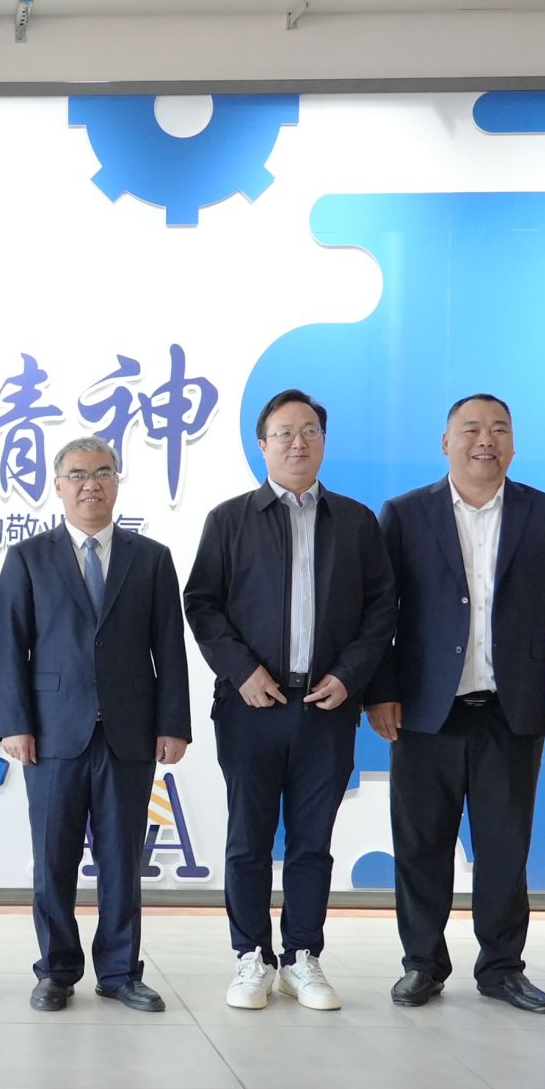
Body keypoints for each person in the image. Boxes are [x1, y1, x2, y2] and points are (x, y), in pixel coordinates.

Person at [366, 394, 545, 1014]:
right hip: (425, 711)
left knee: (505, 846)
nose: (485, 440)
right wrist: (381, 691)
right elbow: (378, 614)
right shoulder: (405, 514)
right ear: (446, 443)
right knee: (421, 846)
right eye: (470, 429)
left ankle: (501, 968)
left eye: (498, 429)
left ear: (513, 444)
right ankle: (422, 964)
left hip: (511, 709)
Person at [184, 389, 396, 1012]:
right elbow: (202, 603)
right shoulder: (229, 520)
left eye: (309, 431)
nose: (297, 442)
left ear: (323, 442)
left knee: (312, 840)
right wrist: (242, 670)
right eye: (283, 432)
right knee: (248, 838)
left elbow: (381, 610)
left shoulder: (355, 522)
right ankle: (251, 955)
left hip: (327, 707)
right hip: (251, 706)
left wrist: (350, 677)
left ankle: (303, 955)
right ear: (263, 444)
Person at [0, 436, 192, 1013]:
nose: (91, 485)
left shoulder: (150, 558)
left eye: (103, 472)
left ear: (117, 481)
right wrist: (14, 723)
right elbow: (11, 646)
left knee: (122, 860)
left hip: (129, 732)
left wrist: (173, 723)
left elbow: (169, 647)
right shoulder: (28, 557)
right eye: (78, 475)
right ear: (58, 486)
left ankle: (120, 971)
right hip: (52, 733)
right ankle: (56, 970)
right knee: (53, 858)